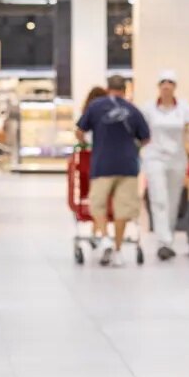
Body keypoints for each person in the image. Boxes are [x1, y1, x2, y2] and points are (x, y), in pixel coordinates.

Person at [75, 74, 151, 266]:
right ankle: (117, 250)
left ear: (108, 88)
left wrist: (87, 143)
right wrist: (134, 147)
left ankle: (104, 236)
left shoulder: (95, 106)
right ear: (125, 91)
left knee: (98, 204)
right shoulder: (133, 110)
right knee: (122, 209)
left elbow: (79, 131)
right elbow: (146, 137)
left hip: (102, 164)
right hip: (128, 166)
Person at [140, 70, 189, 261]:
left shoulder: (183, 108)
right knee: (159, 198)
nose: (166, 86)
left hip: (177, 158)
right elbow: (141, 133)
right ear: (158, 86)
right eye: (163, 82)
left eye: (170, 82)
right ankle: (163, 241)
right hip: (154, 157)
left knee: (173, 200)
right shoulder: (148, 109)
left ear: (175, 86)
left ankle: (168, 238)